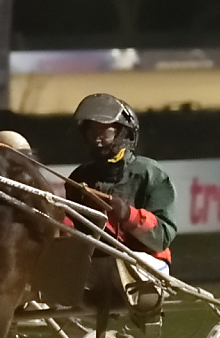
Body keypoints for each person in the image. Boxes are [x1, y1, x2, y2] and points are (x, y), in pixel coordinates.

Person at [67, 93, 177, 273]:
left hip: (147, 262)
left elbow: (162, 239)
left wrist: (128, 215)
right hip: (96, 264)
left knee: (124, 269)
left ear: (123, 132)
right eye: (91, 131)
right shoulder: (79, 178)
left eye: (104, 130)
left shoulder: (150, 174)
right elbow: (71, 232)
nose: (96, 137)